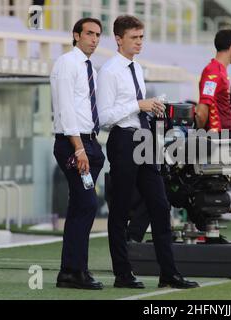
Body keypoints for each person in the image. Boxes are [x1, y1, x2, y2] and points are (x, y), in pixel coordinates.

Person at [97, 15, 199, 289]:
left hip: (144, 138)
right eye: (134, 37)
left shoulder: (137, 68)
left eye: (141, 37)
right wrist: (138, 105)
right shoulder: (108, 71)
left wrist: (153, 109)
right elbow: (105, 117)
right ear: (119, 39)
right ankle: (122, 273)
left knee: (160, 205)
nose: (140, 42)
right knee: (120, 210)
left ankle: (169, 273)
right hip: (122, 140)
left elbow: (137, 107)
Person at [51, 18, 105, 289]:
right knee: (87, 204)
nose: (94, 39)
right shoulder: (66, 63)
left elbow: (91, 109)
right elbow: (66, 109)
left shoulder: (90, 69)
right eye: (89, 34)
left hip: (90, 143)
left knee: (79, 206)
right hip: (73, 143)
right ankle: (75, 271)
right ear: (76, 35)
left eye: (98, 35)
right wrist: (80, 148)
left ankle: (70, 272)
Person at [195, 29, 231, 131]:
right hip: (218, 137)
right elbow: (202, 109)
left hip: (224, 135)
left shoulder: (219, 71)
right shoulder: (213, 72)